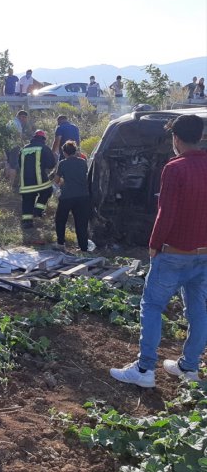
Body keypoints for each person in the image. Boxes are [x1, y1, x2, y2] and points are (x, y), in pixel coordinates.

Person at [110, 114, 207, 387]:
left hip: (174, 252)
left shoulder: (174, 168)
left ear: (176, 139)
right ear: (199, 137)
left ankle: (144, 370)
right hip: (204, 254)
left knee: (152, 306)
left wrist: (154, 245)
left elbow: (166, 213)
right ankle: (189, 368)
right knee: (198, 309)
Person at [54, 140, 90, 252]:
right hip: (83, 196)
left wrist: (61, 184)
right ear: (75, 151)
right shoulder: (83, 162)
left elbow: (56, 180)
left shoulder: (63, 163)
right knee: (81, 222)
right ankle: (83, 247)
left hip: (67, 196)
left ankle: (60, 244)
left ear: (64, 152)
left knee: (60, 220)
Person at [19, 129, 56, 228]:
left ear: (34, 138)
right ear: (43, 139)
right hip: (39, 182)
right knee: (48, 191)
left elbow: (19, 164)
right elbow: (51, 164)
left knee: (27, 201)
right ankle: (38, 211)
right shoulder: (44, 148)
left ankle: (27, 223)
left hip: (25, 183)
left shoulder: (23, 149)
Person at [5, 110, 28, 186]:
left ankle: (7, 182)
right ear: (19, 116)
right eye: (23, 117)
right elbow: (18, 137)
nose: (24, 119)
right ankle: (11, 185)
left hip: (7, 145)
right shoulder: (17, 124)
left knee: (8, 162)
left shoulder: (10, 122)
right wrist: (23, 146)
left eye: (25, 118)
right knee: (13, 165)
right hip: (14, 146)